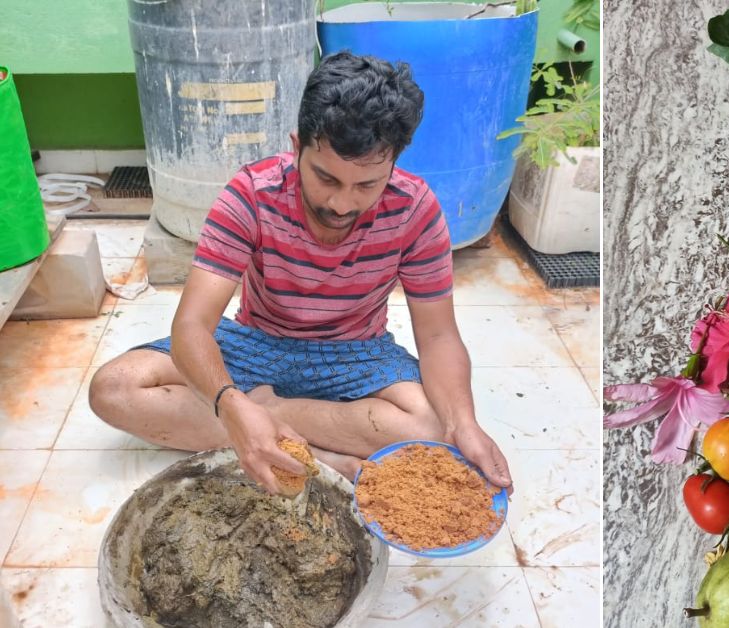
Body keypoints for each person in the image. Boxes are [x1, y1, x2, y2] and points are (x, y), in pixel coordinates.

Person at [88, 52, 513, 496]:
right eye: (326, 178)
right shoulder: (251, 194)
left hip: (357, 353)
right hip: (257, 345)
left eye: (367, 185)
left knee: (433, 426)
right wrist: (229, 402)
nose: (342, 204)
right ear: (297, 147)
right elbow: (193, 324)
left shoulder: (415, 209)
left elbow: (439, 337)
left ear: (393, 164)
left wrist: (464, 424)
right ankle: (318, 454)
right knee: (115, 388)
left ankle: (270, 415)